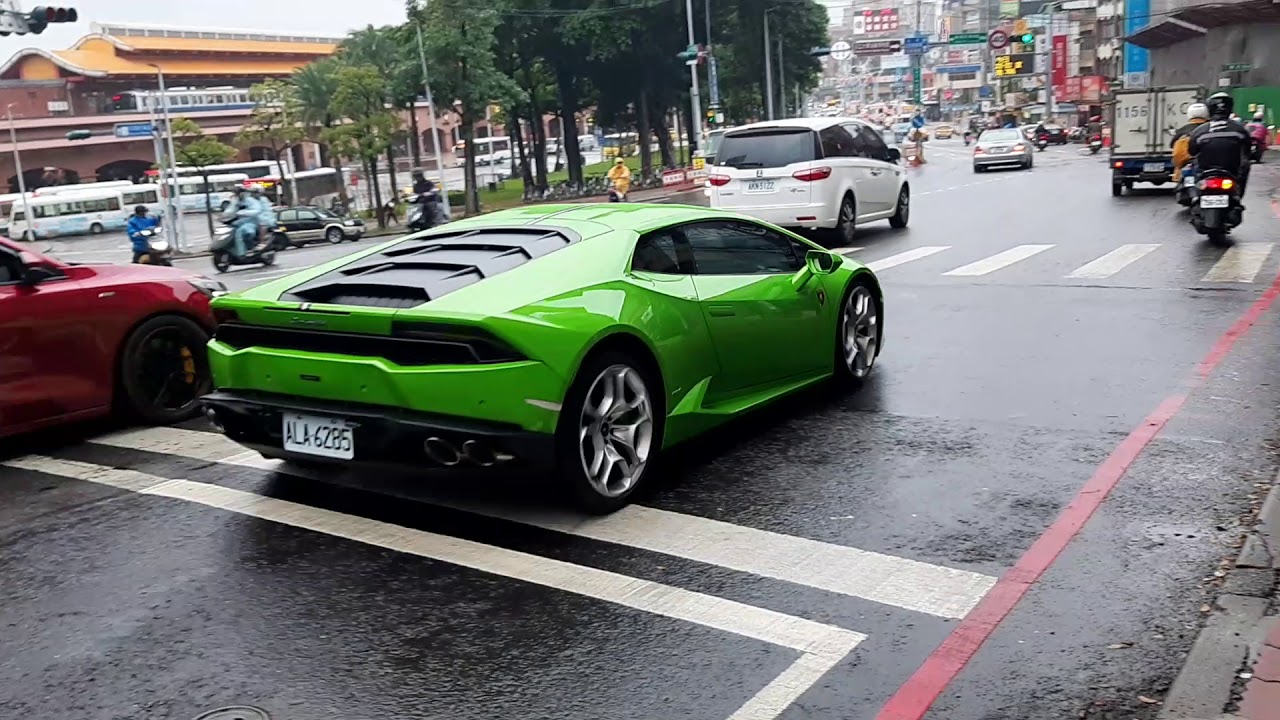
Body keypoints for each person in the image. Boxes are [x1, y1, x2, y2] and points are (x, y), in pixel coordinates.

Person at [1189, 91, 1254, 194]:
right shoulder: (1240, 129)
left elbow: (1192, 151)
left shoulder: (1199, 131)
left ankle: (1196, 195)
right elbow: (1247, 150)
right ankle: (1238, 193)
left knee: (1192, 166)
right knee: (1246, 166)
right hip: (1231, 173)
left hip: (1205, 174)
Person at [1172, 102, 1210, 182]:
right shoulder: (1210, 128)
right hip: (1207, 167)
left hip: (1185, 169)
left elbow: (1173, 146)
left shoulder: (1182, 131)